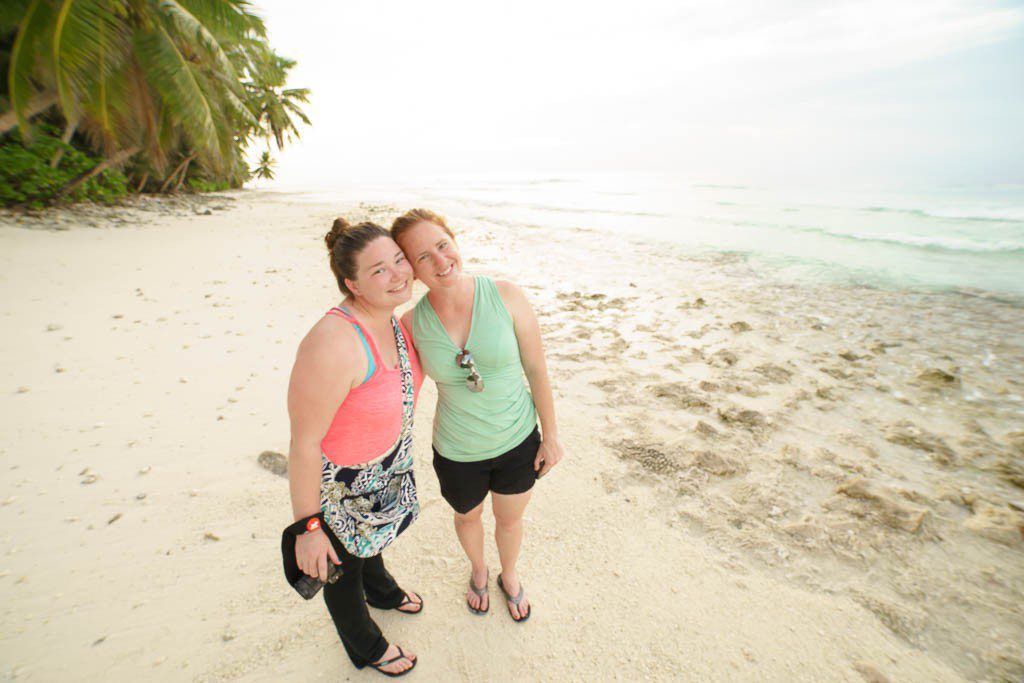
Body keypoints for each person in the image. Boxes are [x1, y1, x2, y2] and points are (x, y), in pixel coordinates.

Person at [390, 208, 564, 622]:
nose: (439, 261)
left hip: (518, 438)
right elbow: (401, 393)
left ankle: (510, 574)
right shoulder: (410, 324)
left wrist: (551, 435)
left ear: (455, 241)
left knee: (510, 519)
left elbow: (537, 367)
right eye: (422, 257)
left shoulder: (505, 295)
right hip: (456, 449)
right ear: (411, 270)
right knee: (466, 517)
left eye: (442, 245)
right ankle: (479, 569)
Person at [286, 218, 424, 676]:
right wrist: (308, 527)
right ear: (352, 283)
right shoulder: (334, 342)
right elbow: (304, 442)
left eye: (399, 260)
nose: (399, 274)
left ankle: (381, 589)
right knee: (339, 566)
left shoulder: (394, 320)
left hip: (386, 465)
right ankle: (364, 646)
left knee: (372, 539)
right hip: (340, 482)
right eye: (379, 270)